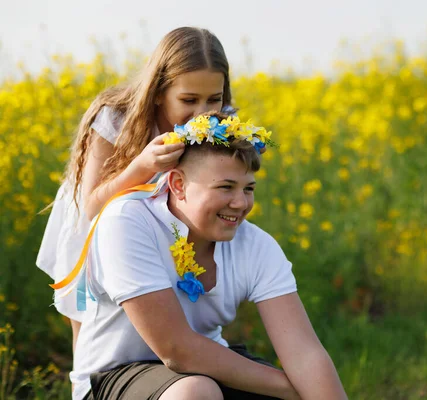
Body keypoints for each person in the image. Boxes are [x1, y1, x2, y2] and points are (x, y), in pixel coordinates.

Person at [66, 112, 348, 400]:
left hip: (206, 367)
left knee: (307, 384)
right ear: (178, 185)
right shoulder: (127, 221)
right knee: (196, 392)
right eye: (225, 187)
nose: (240, 203)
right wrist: (292, 388)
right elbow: (177, 350)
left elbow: (304, 353)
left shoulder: (255, 244)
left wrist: (312, 388)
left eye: (248, 188)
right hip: (114, 378)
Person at [36, 27, 238, 351]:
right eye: (188, 100)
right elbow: (90, 206)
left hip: (165, 233)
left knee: (158, 329)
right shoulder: (116, 118)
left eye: (214, 99)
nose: (203, 113)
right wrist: (142, 166)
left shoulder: (222, 120)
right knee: (94, 334)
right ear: (159, 91)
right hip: (95, 231)